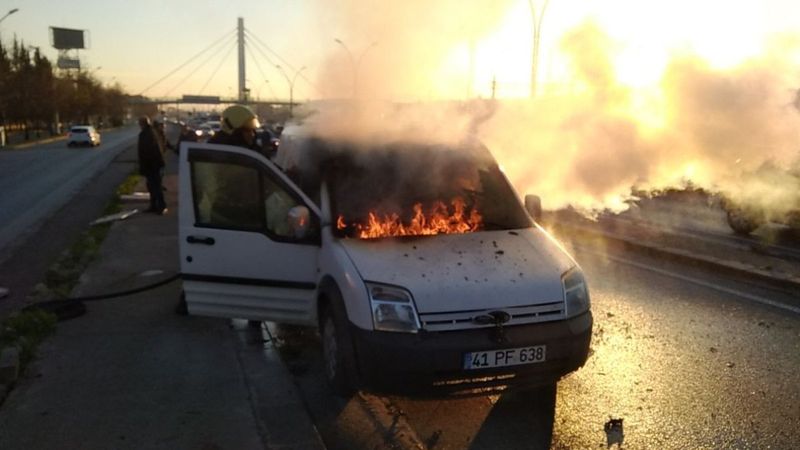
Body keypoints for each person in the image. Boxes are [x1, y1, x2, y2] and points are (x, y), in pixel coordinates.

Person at [137, 116, 167, 215]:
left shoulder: (145, 134)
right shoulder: (152, 132)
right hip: (155, 163)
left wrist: (144, 166)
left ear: (142, 124)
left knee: (155, 186)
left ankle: (161, 206)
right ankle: (154, 206)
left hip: (151, 164)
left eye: (140, 123)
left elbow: (145, 152)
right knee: (153, 186)